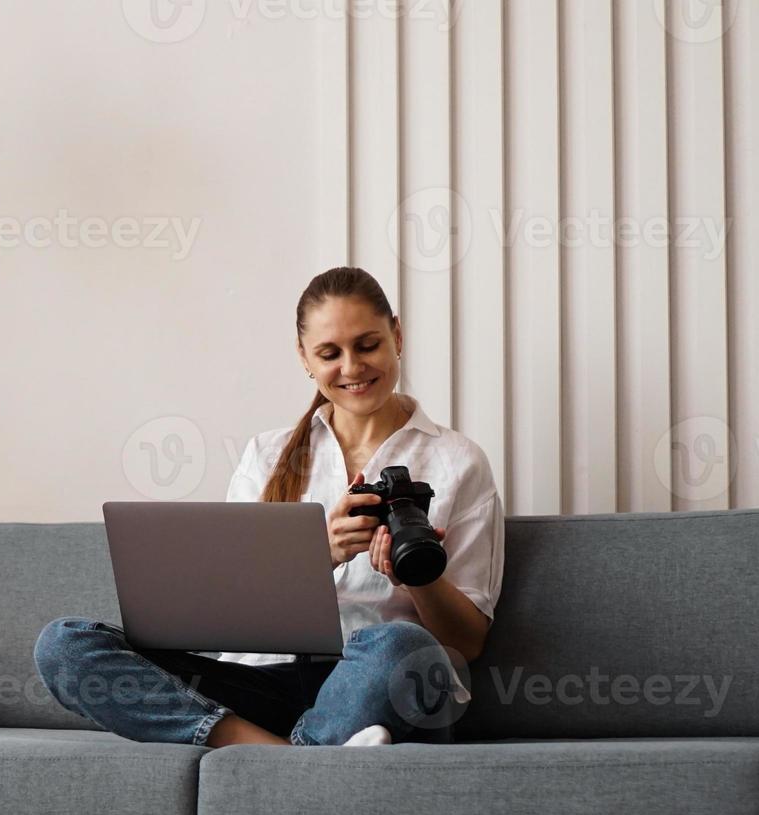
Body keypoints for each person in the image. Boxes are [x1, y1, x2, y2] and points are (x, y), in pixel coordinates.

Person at [33, 266, 505, 747]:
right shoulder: (267, 454)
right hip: (260, 684)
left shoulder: (457, 462)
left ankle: (279, 758)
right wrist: (318, 556)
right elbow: (225, 613)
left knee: (402, 646)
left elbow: (466, 643)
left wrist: (418, 578)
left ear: (397, 335)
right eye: (329, 353)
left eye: (367, 345)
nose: (352, 367)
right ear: (304, 358)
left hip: (372, 680)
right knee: (66, 646)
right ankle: (287, 755)